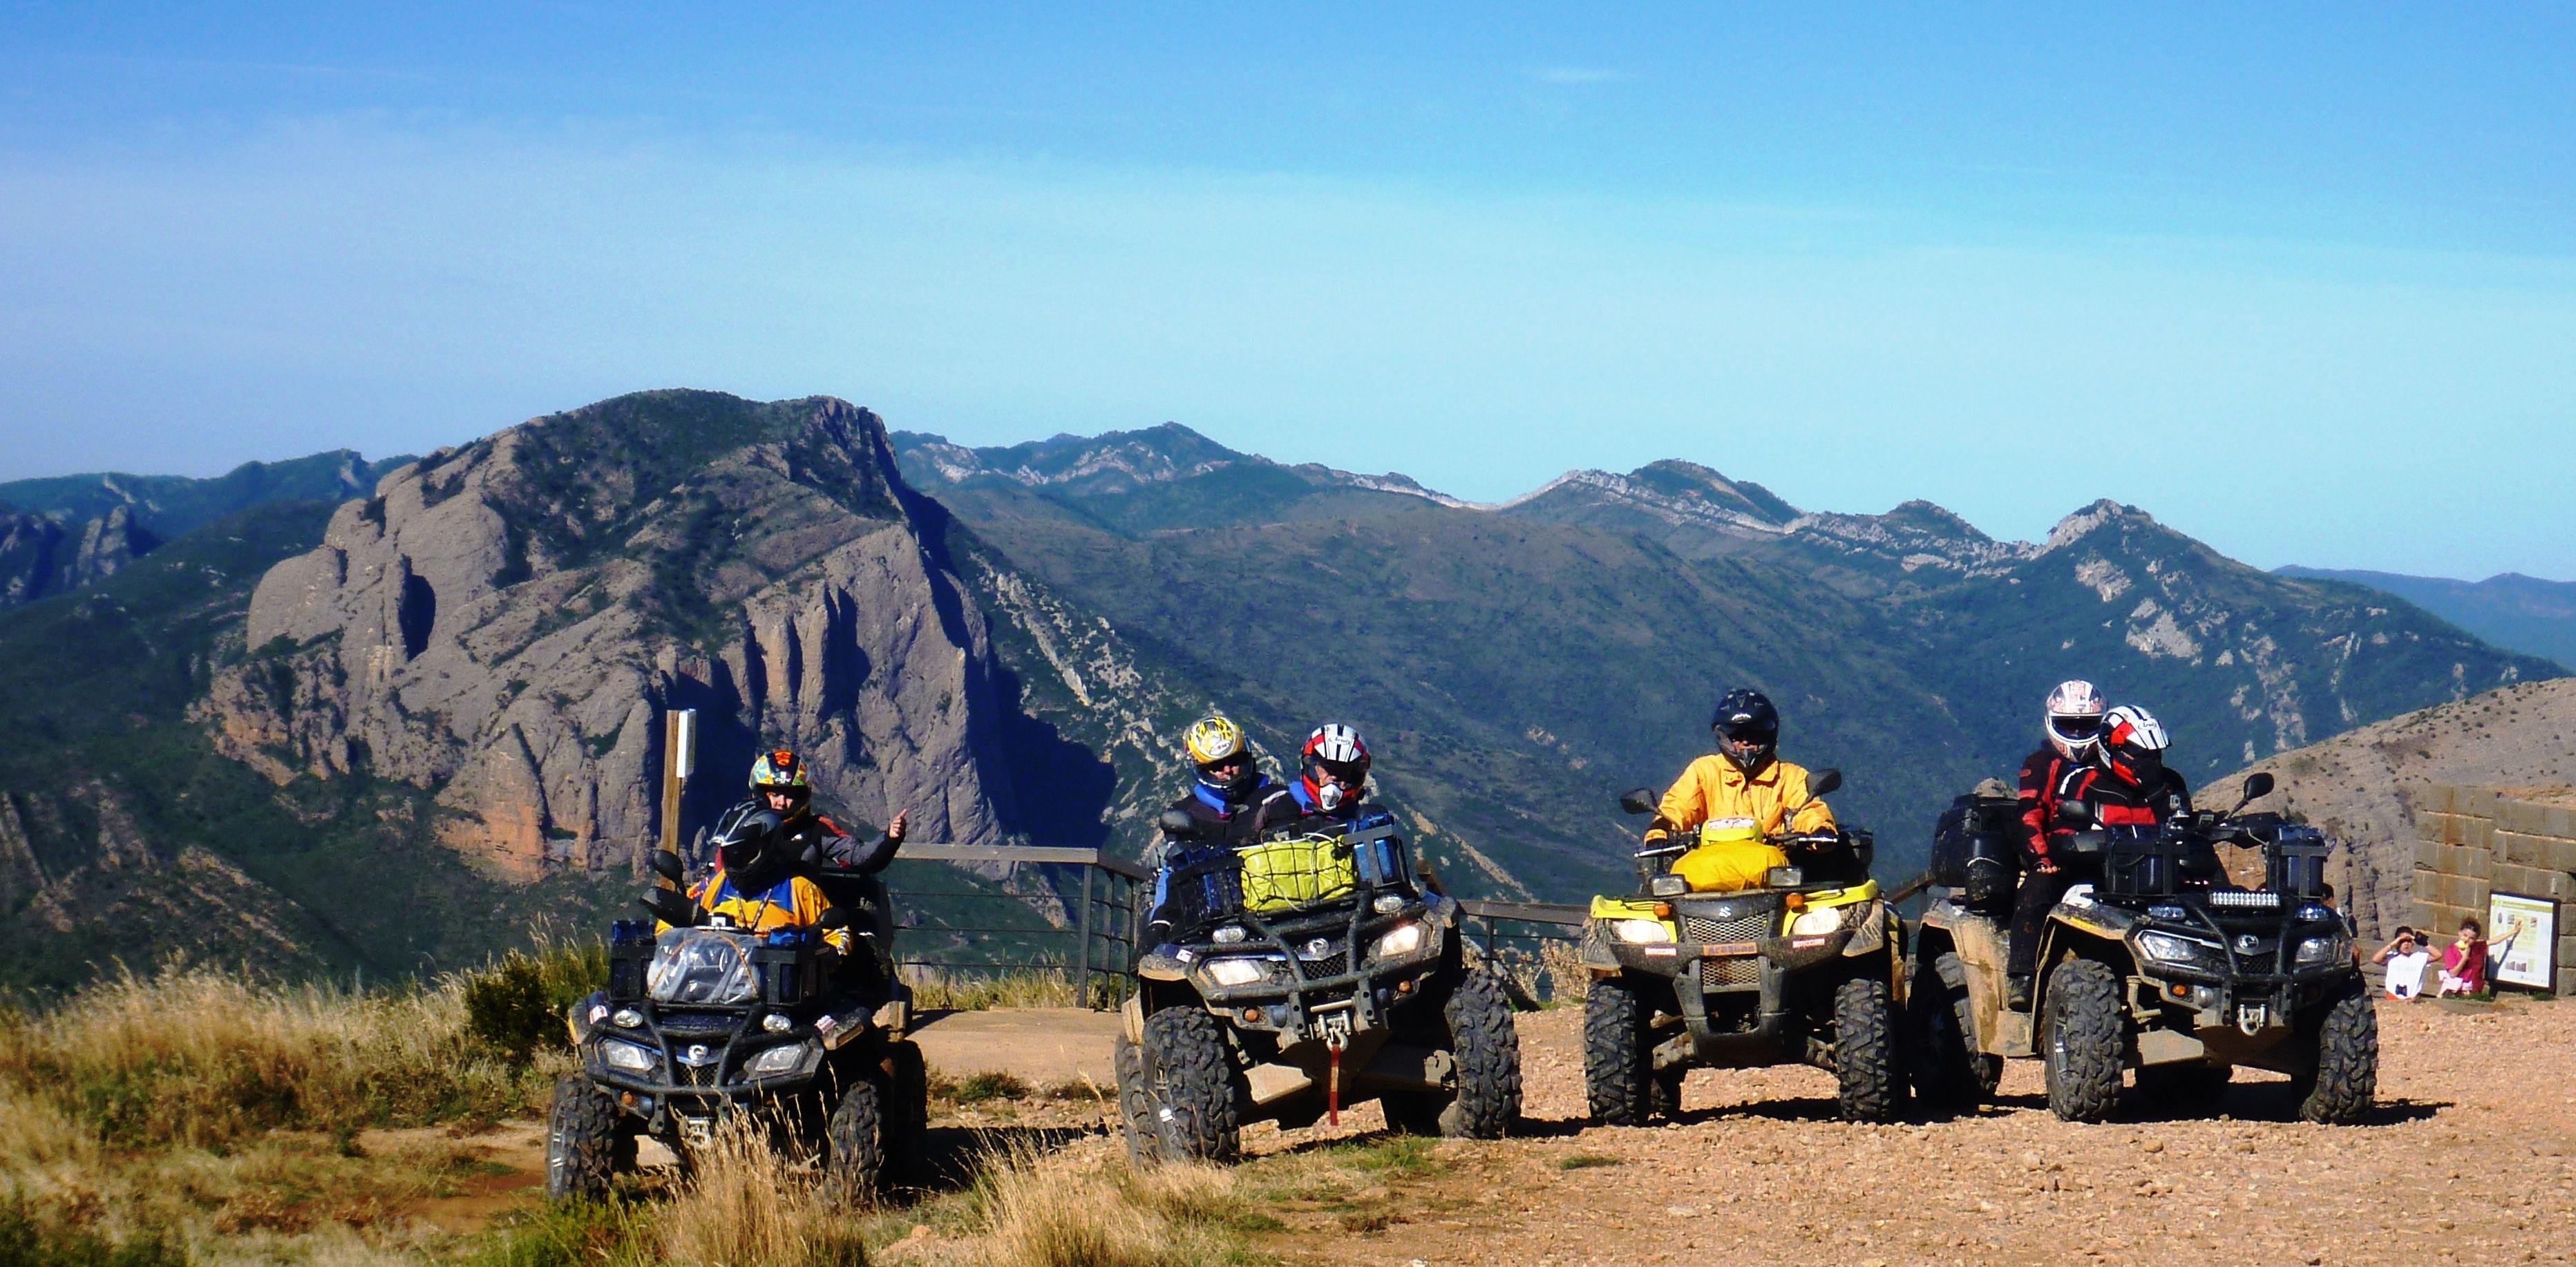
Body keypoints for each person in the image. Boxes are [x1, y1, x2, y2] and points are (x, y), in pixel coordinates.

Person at [2005, 704, 2192, 1009]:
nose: (2149, 763)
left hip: (2158, 874)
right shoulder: (2083, 782)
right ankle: (2023, 975)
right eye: (2140, 755)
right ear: (2113, 750)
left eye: (2155, 755)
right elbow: (2061, 834)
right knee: (2037, 891)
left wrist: (2163, 799)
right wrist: (2066, 851)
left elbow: (2184, 826)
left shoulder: (2170, 784)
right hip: (2093, 873)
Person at [1145, 715, 1301, 938]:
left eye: (1235, 760)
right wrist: (1158, 924)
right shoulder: (1187, 811)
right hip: (1209, 920)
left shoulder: (1276, 798)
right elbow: (1171, 876)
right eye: (1217, 766)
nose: (1228, 770)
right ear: (1200, 768)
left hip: (1275, 909)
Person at [1646, 689, 1837, 846]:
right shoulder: (1704, 771)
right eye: (1736, 735)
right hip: (1709, 868)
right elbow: (1679, 806)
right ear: (1723, 737)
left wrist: (1820, 829)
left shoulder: (1789, 776)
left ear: (1769, 735)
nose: (1745, 742)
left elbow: (1808, 808)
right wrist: (1660, 832)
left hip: (1775, 869)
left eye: (1754, 734)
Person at [663, 803, 851, 954]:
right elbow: (669, 921)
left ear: (765, 849)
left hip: (776, 993)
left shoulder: (800, 890)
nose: (733, 862)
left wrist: (827, 956)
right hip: (708, 988)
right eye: (728, 854)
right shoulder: (713, 884)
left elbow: (839, 935)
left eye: (741, 854)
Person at [747, 748, 910, 876]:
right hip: (747, 911)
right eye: (775, 794)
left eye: (790, 795)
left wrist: (890, 838)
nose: (782, 802)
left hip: (802, 913)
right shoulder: (742, 824)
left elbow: (860, 858)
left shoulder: (817, 829)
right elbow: (723, 871)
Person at [2435, 918, 2490, 997]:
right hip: (2453, 987)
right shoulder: (2451, 950)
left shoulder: (2475, 947)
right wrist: (2464, 958)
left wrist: (2513, 932)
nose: (2467, 940)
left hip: (2468, 988)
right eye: (2465, 935)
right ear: (2460, 933)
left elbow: (2493, 942)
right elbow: (2453, 974)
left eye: (2471, 938)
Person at [2374, 927, 2433, 1001]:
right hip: (2393, 997)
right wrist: (2392, 945)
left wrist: (2421, 942)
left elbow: (2437, 955)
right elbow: (2376, 959)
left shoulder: (2419, 957)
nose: (2406, 944)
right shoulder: (2392, 957)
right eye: (2403, 941)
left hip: (2412, 999)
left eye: (2409, 941)